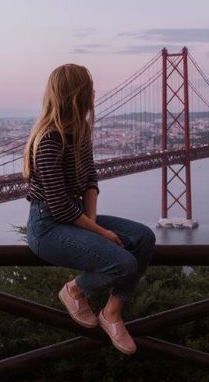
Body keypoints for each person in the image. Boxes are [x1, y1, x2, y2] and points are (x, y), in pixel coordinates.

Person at [23, 63, 156, 355]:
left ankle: (111, 312)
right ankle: (74, 290)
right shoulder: (48, 140)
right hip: (47, 227)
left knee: (144, 237)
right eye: (89, 86)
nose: (95, 91)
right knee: (123, 263)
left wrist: (93, 224)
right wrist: (99, 232)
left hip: (75, 216)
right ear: (76, 94)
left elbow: (90, 180)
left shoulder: (80, 132)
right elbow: (58, 207)